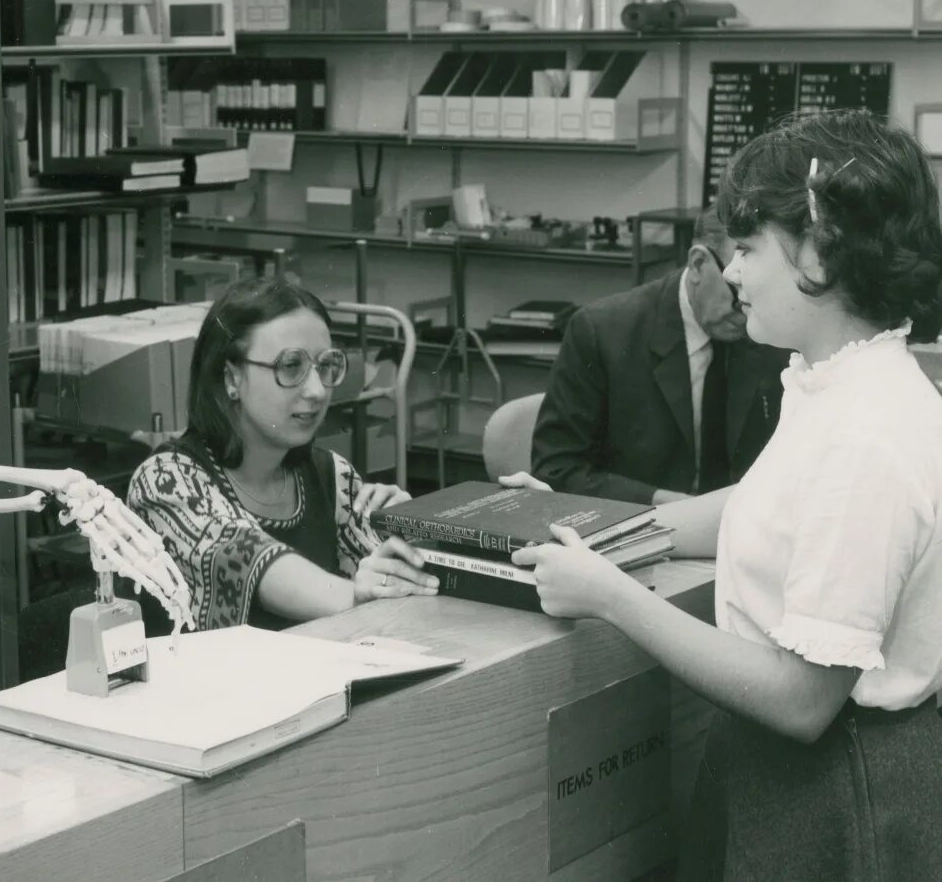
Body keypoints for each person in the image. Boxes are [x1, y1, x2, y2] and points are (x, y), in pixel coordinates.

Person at [514, 109, 942, 880]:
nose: (731, 271)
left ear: (821, 250)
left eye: (746, 248)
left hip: (833, 789)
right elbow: (756, 504)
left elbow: (800, 698)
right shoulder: (837, 380)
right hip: (779, 772)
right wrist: (599, 533)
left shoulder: (866, 438)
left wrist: (611, 594)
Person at [128, 276, 539, 631]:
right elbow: (249, 560)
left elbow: (404, 589)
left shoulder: (331, 476)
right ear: (231, 377)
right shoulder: (166, 480)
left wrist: (411, 539)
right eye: (291, 367)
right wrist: (361, 594)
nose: (317, 390)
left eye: (326, 366)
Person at [531, 207, 789, 505]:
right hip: (635, 526)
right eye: (736, 293)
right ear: (697, 264)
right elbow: (556, 470)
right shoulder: (601, 332)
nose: (745, 315)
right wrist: (671, 505)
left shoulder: (770, 330)